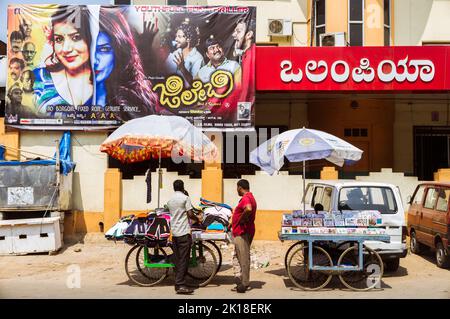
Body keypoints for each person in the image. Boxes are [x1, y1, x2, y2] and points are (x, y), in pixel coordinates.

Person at [95, 7, 161, 119]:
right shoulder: (62, 99)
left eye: (104, 49)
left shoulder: (129, 98)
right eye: (90, 49)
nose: (95, 60)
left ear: (118, 52)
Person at [33, 5, 93, 115]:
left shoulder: (107, 83)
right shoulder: (39, 78)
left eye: (76, 37)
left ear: (91, 38)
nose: (65, 49)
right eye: (59, 39)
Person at [166, 179, 195, 295]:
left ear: (174, 188)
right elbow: (190, 214)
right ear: (183, 187)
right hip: (183, 232)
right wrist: (198, 219)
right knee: (184, 259)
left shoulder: (170, 200)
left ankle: (179, 282)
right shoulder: (185, 198)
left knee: (178, 259)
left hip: (175, 233)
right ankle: (180, 285)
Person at [231, 179, 257, 293]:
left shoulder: (246, 198)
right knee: (239, 256)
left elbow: (248, 209)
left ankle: (244, 283)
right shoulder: (250, 197)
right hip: (244, 230)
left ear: (240, 187)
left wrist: (241, 220)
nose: (236, 190)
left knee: (243, 257)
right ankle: (240, 279)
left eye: (237, 188)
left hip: (243, 232)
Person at [165, 21, 204, 87]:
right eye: (176, 36)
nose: (176, 39)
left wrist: (182, 68)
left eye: (179, 37)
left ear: (188, 39)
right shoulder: (175, 53)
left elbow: (196, 84)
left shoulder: (198, 58)